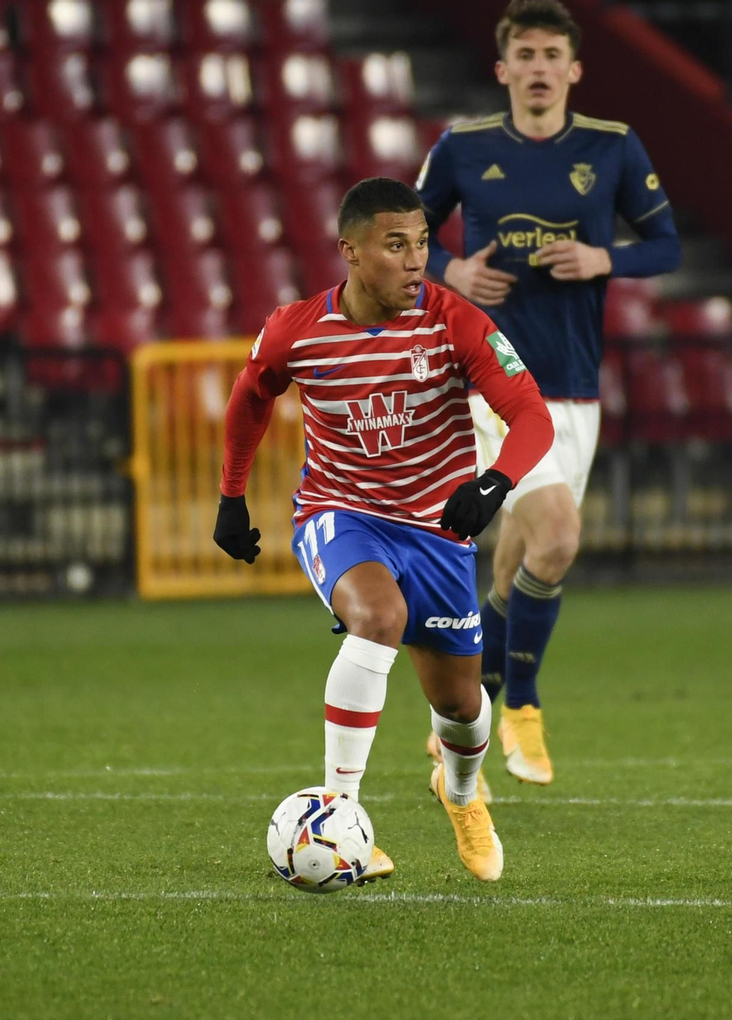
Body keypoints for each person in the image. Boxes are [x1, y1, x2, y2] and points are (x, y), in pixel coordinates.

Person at [212, 178, 555, 884]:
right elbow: (249, 399)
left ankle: (459, 793)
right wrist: (231, 496)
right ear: (351, 252)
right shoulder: (296, 330)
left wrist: (494, 484)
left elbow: (531, 415)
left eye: (422, 244)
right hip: (341, 514)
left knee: (461, 708)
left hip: (437, 533)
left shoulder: (453, 321)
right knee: (378, 618)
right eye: (395, 245)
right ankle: (342, 817)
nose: (415, 261)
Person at [416, 0, 681, 786]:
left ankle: (467, 714)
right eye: (523, 54)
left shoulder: (612, 148)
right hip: (490, 381)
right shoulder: (464, 148)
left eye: (550, 55)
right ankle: (523, 708)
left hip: (574, 387)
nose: (537, 67)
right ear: (502, 70)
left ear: (574, 70)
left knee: (519, 565)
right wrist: (450, 273)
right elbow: (406, 241)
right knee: (559, 537)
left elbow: (664, 244)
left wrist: (606, 261)